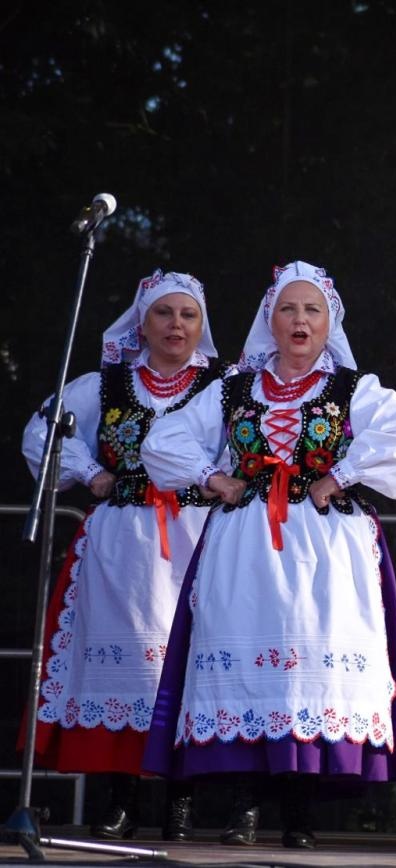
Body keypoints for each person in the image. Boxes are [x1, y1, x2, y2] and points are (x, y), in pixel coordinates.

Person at [140, 261, 396, 849]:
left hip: (326, 547)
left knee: (305, 669)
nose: (300, 320)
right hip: (245, 543)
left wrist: (339, 476)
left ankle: (299, 811)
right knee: (246, 662)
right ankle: (243, 805)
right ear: (270, 320)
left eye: (311, 310)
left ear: (328, 322)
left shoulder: (354, 389)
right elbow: (164, 440)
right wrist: (213, 478)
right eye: (288, 309)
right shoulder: (234, 389)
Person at [20, 270, 222, 841]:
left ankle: (181, 803)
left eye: (187, 315)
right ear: (141, 322)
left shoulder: (224, 387)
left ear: (201, 325)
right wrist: (91, 472)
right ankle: (122, 800)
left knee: (190, 664)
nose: (176, 325)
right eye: (163, 313)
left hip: (198, 536)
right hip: (123, 547)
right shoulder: (105, 386)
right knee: (128, 668)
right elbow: (41, 433)